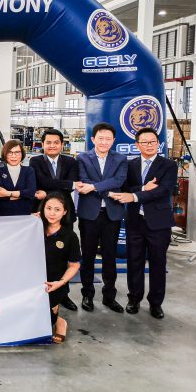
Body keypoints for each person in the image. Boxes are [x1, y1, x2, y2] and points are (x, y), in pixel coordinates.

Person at [109, 128, 177, 319]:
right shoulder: (130, 165)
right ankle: (134, 299)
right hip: (135, 222)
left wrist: (135, 196)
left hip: (159, 223)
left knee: (158, 263)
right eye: (144, 142)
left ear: (158, 144)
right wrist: (142, 188)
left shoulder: (168, 165)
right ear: (137, 145)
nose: (149, 145)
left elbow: (164, 190)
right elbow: (124, 188)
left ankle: (156, 303)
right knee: (134, 262)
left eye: (153, 141)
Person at [75, 122, 127, 313]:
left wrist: (95, 187)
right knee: (88, 256)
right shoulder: (82, 158)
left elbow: (119, 180)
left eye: (108, 139)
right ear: (93, 139)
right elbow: (83, 181)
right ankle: (87, 295)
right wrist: (107, 189)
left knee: (109, 257)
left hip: (111, 214)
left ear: (113, 140)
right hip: (89, 214)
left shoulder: (120, 159)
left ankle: (109, 297)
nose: (104, 142)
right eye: (100, 138)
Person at [29, 128, 79, 311]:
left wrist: (48, 192)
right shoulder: (35, 161)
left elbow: (71, 186)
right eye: (48, 142)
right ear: (42, 144)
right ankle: (41, 289)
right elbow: (40, 181)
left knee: (63, 254)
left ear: (62, 144)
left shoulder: (71, 162)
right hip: (43, 214)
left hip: (65, 214)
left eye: (56, 142)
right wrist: (65, 185)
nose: (52, 145)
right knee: (43, 255)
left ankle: (63, 294)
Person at [41, 192, 81, 344]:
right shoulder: (34, 229)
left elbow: (74, 265)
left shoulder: (70, 236)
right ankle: (55, 316)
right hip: (33, 280)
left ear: (64, 212)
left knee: (48, 321)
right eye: (48, 208)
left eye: (57, 209)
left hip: (55, 283)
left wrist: (61, 282)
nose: (52, 213)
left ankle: (59, 321)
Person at [0, 139, 36, 216]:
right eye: (10, 152)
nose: (14, 156)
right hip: (4, 214)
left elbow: (31, 193)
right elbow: (0, 195)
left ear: (22, 154)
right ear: (5, 154)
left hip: (25, 213)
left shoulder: (29, 170)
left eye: (17, 152)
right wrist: (22, 195)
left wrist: (8, 193)